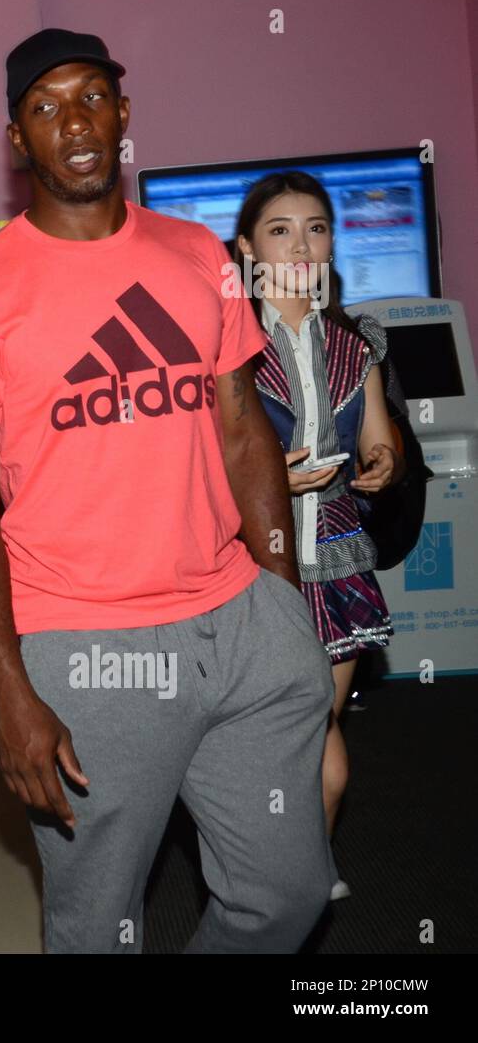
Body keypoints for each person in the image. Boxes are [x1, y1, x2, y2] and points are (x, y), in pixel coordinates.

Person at [0, 27, 335, 953]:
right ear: (17, 137)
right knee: (99, 925)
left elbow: (241, 427)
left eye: (93, 96)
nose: (76, 121)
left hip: (240, 622)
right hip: (83, 643)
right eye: (47, 106)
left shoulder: (197, 255)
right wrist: (7, 690)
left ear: (124, 113)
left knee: (289, 893)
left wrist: (283, 600)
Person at [233, 170, 400, 901]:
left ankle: (294, 880)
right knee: (273, 743)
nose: (301, 244)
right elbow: (195, 465)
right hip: (246, 564)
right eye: (279, 229)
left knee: (320, 740)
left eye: (316, 228)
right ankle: (265, 879)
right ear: (247, 249)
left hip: (333, 561)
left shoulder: (354, 342)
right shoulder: (222, 345)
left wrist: (381, 465)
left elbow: (381, 445)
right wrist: (270, 481)